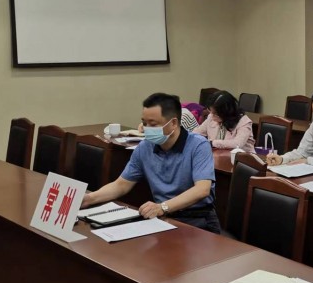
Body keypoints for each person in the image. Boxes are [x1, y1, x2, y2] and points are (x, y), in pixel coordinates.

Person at [81, 92, 220, 233]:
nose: (146, 129)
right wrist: (89, 198)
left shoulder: (198, 145)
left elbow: (202, 189)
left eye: (153, 124)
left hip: (197, 220)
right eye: (144, 123)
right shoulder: (145, 147)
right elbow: (121, 185)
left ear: (173, 123)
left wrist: (162, 207)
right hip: (162, 218)